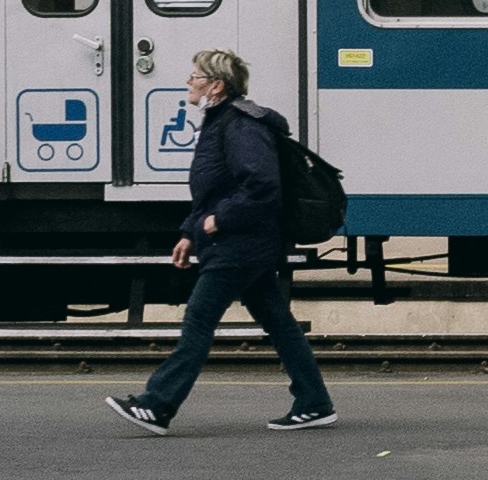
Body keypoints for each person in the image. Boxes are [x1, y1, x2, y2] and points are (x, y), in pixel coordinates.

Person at [106, 48, 337, 434]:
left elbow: (262, 186)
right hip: (244, 242)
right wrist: (189, 233)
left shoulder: (240, 125)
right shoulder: (221, 122)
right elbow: (213, 188)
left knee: (199, 320)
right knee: (279, 322)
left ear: (216, 85)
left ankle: (158, 404)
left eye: (195, 75)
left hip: (240, 244)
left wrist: (217, 222)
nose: (188, 82)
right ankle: (314, 402)